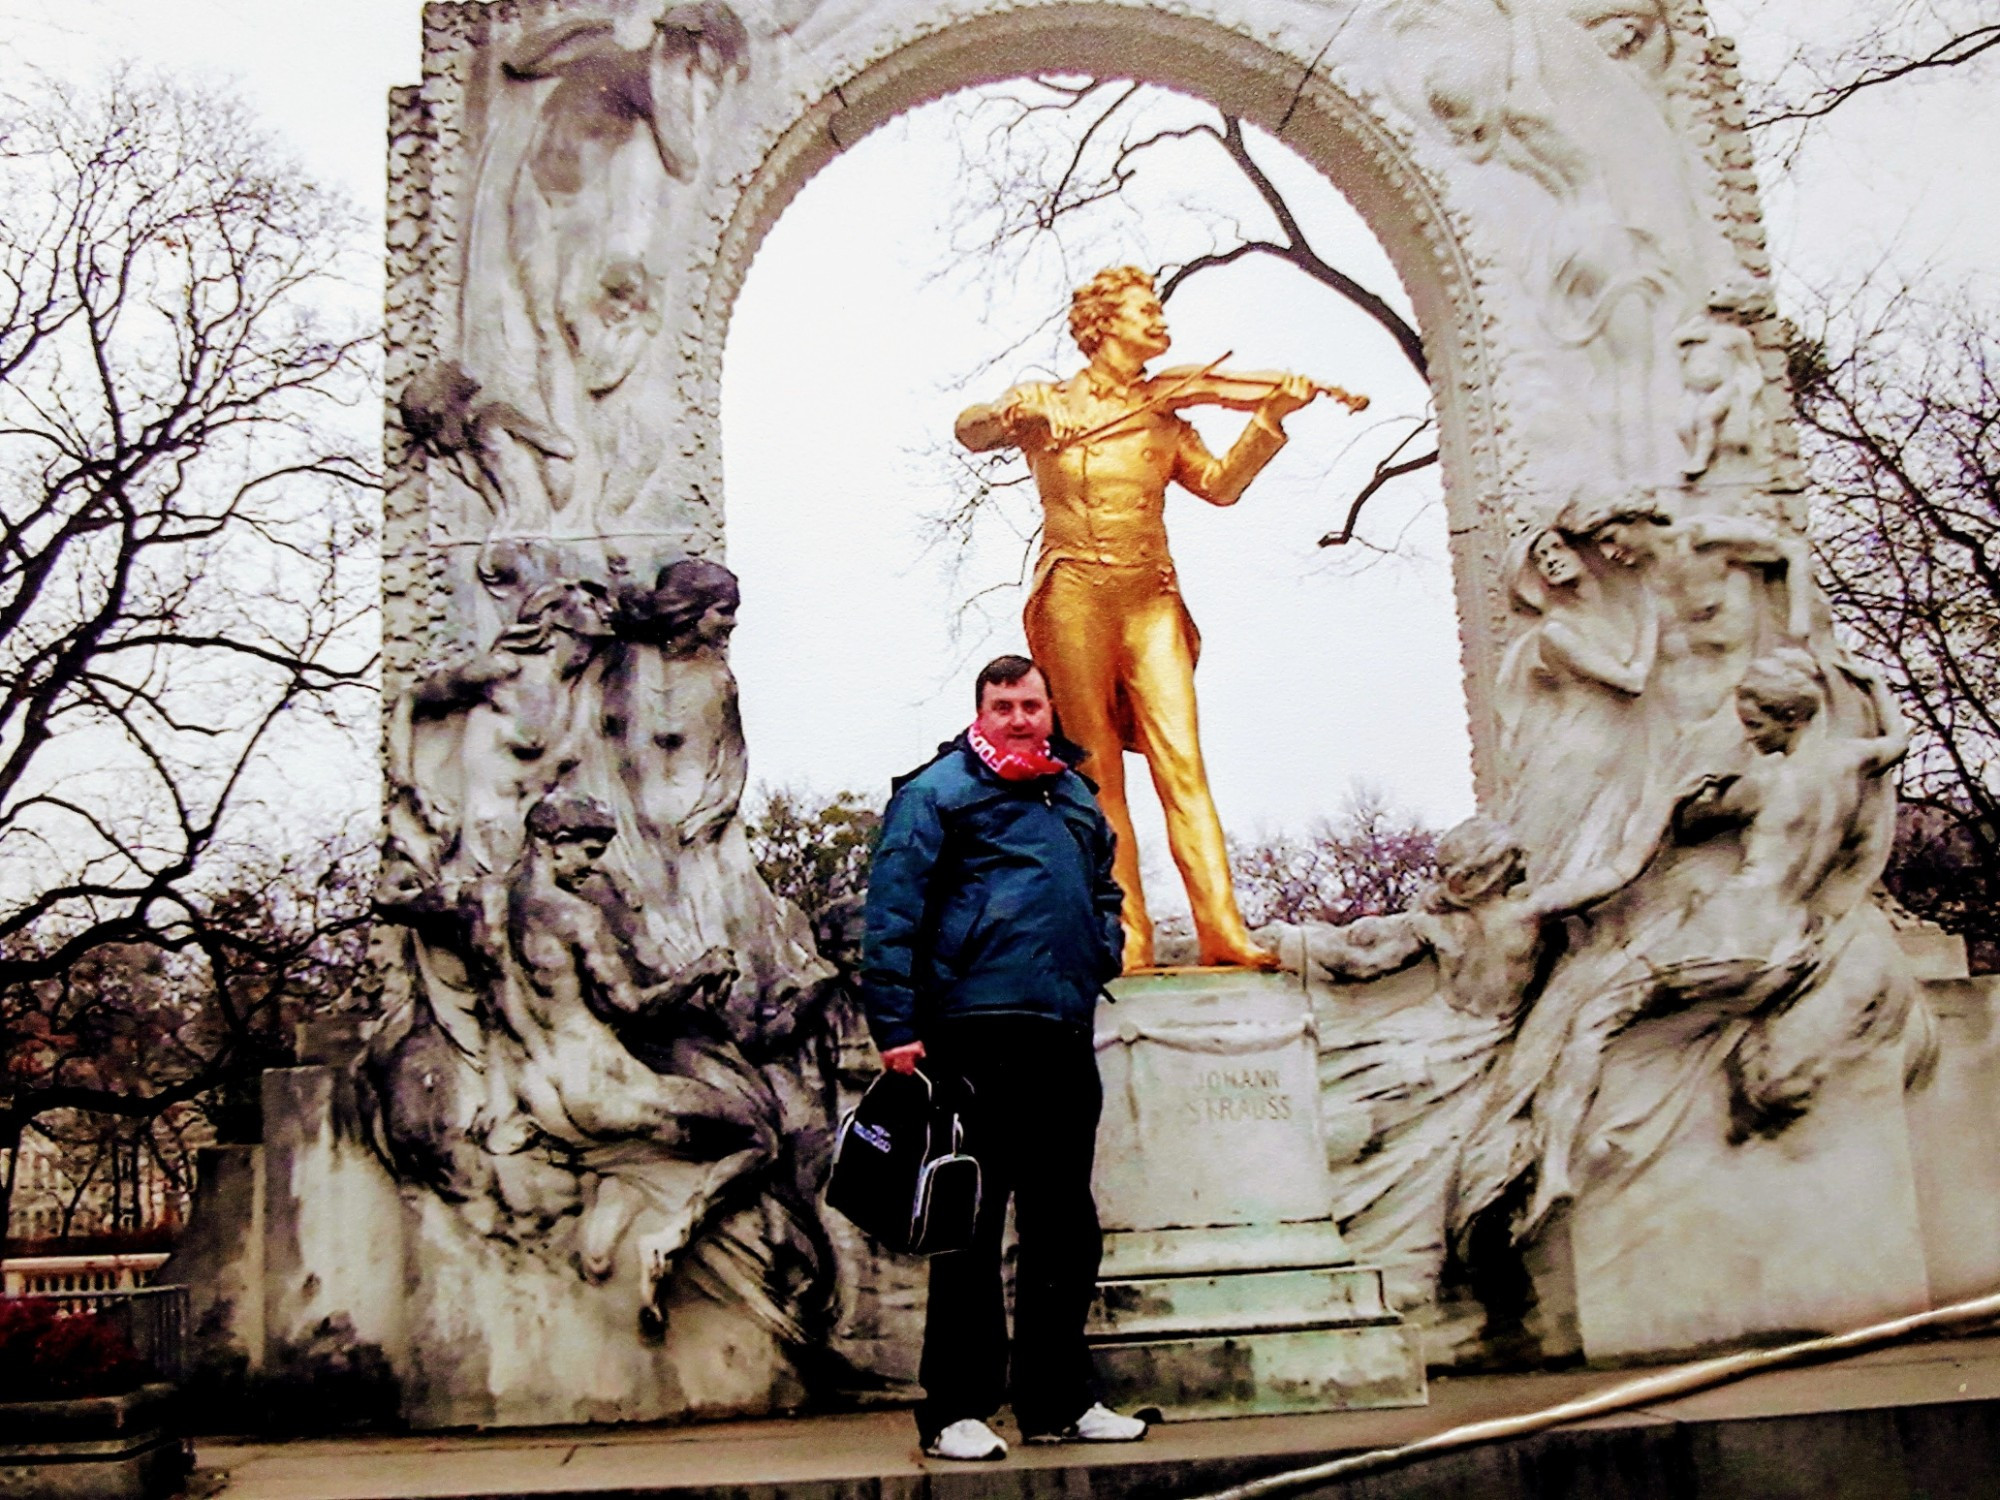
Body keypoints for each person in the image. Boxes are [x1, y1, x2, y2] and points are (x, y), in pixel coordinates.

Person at [954, 266, 1334, 971]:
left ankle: (1222, 929)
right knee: (1097, 776)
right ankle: (1127, 937)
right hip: (1074, 593)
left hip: (1150, 597)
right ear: (1103, 325)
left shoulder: (1165, 416)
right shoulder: (1049, 403)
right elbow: (967, 428)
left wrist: (1268, 418)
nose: (1160, 322)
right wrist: (1017, 415)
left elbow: (1220, 487)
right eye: (1145, 310)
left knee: (1182, 763)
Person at [860, 654, 1147, 1461]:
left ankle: (1059, 1401)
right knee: (970, 1227)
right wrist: (895, 1026)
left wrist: (1103, 950)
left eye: (1031, 704)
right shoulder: (937, 792)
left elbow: (1104, 890)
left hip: (1061, 1028)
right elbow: (891, 911)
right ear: (979, 712)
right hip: (971, 1032)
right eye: (1003, 705)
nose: (1020, 718)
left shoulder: (1074, 794)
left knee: (1065, 1225)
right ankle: (956, 1409)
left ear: (1051, 711)